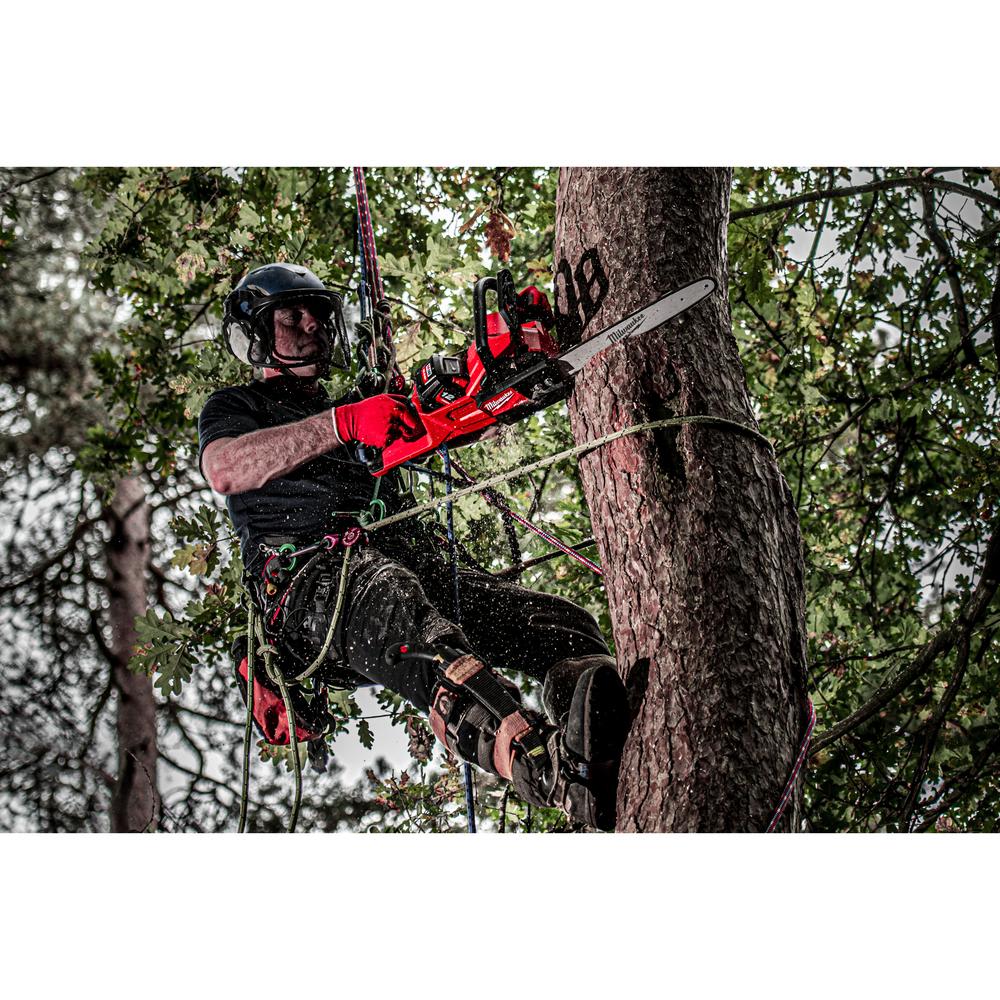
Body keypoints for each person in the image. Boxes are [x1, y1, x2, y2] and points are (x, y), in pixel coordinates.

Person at [198, 262, 629, 829]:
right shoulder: (237, 408)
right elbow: (226, 468)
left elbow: (440, 414)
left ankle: (599, 732)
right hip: (315, 588)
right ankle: (544, 769)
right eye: (291, 315)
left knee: (559, 624)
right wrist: (343, 424)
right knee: (401, 605)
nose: (311, 324)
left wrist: (502, 368)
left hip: (407, 565)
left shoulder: (365, 404)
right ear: (255, 334)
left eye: (318, 313)